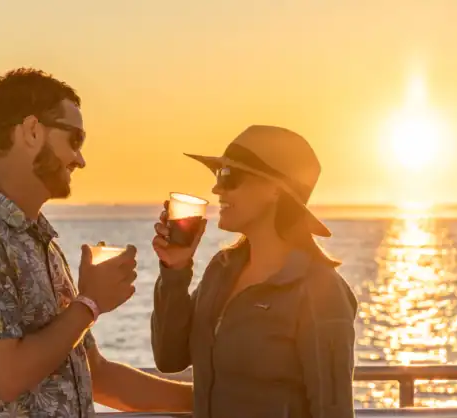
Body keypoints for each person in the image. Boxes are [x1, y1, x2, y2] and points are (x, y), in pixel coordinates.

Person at [0, 67, 192, 417]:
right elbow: (6, 376)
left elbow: (96, 375)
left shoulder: (37, 241)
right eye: (75, 139)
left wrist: (214, 399)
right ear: (32, 131)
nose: (80, 159)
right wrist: (89, 303)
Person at [150, 125, 359, 418]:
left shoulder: (320, 289)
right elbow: (169, 357)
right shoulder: (221, 271)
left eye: (229, 176)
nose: (216, 189)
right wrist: (175, 270)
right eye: (217, 175)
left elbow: (333, 411)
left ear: (275, 190)